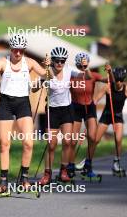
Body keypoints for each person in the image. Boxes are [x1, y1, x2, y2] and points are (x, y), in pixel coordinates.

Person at [0, 33, 51, 192]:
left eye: (21, 50)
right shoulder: (3, 62)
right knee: (4, 144)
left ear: (24, 50)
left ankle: (24, 178)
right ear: (11, 49)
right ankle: (3, 182)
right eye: (15, 50)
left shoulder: (29, 62)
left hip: (23, 104)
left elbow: (47, 76)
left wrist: (49, 67)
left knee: (28, 143)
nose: (18, 53)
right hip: (6, 103)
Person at [37, 47, 90, 185]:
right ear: (53, 60)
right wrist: (43, 76)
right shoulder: (48, 71)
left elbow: (84, 76)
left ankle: (63, 171)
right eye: (57, 60)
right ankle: (47, 174)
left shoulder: (69, 69)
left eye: (62, 61)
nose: (59, 63)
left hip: (67, 109)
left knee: (67, 141)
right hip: (52, 110)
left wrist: (84, 67)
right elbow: (34, 88)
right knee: (51, 144)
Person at [68, 52, 112, 178]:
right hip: (76, 107)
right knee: (73, 140)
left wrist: (110, 72)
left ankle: (88, 165)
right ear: (77, 65)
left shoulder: (92, 75)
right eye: (81, 65)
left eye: (85, 65)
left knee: (92, 137)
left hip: (89, 107)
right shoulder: (72, 76)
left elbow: (108, 81)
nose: (83, 67)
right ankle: (70, 166)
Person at [93, 66, 127, 174]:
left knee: (118, 140)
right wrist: (92, 105)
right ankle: (87, 161)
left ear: (123, 80)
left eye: (121, 80)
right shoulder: (108, 87)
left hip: (118, 116)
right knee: (95, 140)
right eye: (117, 79)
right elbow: (95, 99)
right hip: (107, 115)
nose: (118, 82)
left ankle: (116, 163)